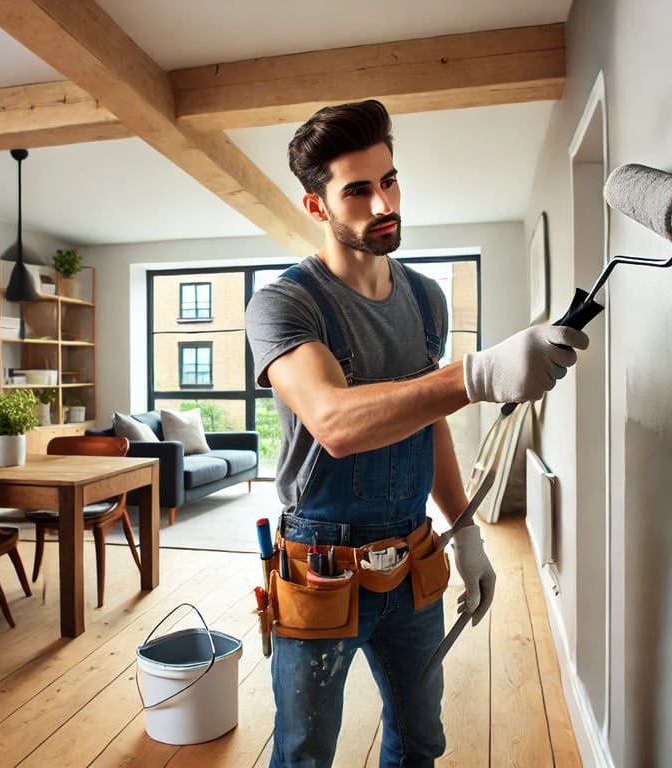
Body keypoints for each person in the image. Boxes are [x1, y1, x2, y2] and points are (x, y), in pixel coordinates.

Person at [245, 99, 588, 768]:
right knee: (305, 750)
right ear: (317, 206)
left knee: (421, 739)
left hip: (412, 554)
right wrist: (478, 373)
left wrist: (463, 530)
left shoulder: (426, 297)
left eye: (390, 180)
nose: (382, 203)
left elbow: (425, 419)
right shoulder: (286, 304)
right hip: (321, 564)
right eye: (358, 190)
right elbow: (336, 424)